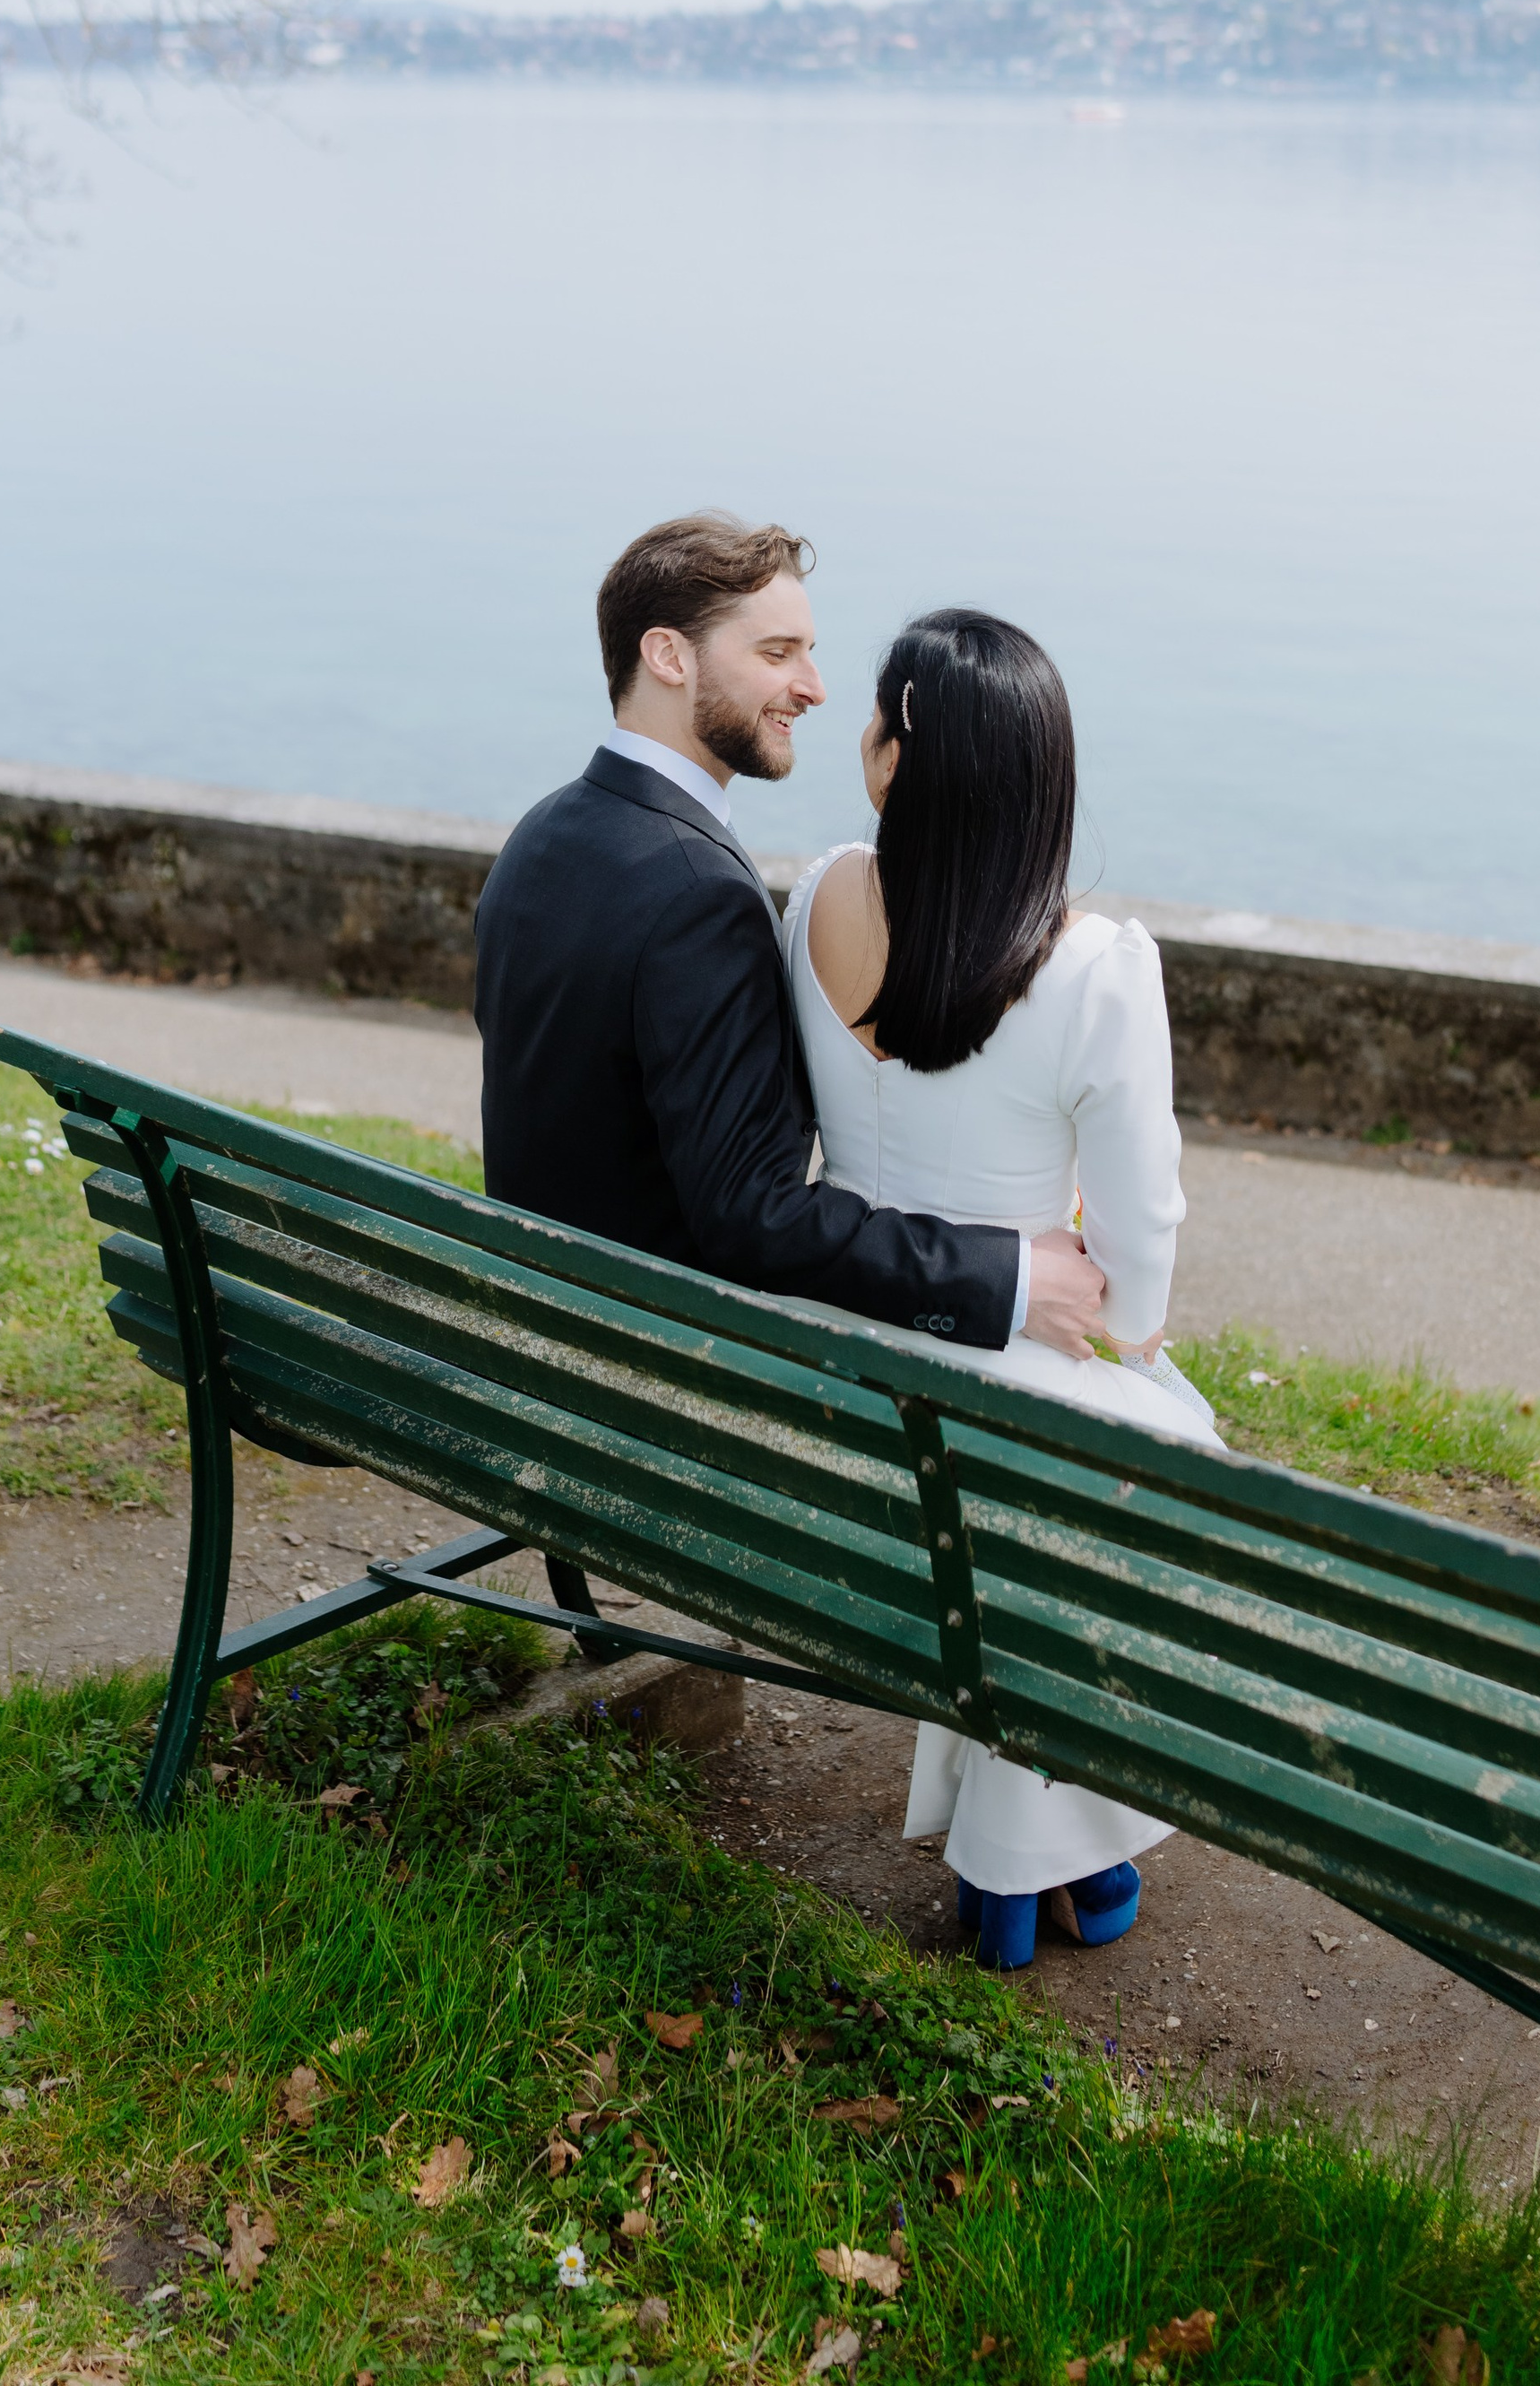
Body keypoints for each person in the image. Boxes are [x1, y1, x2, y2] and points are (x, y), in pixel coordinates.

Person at [783, 604, 1224, 1972]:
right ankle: (1030, 1873)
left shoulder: (813, 900)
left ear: (898, 757)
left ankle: (1026, 1868)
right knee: (1142, 1459)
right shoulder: (1094, 966)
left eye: (871, 714)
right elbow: (1141, 1231)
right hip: (1001, 1368)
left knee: (1000, 1501)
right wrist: (1130, 1336)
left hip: (835, 1382)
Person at [474, 512, 1108, 1358]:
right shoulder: (700, 894)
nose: (812, 686)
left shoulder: (540, 835)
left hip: (548, 1330)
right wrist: (1011, 1278)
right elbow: (753, 1215)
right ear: (669, 657)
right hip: (652, 1366)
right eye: (777, 653)